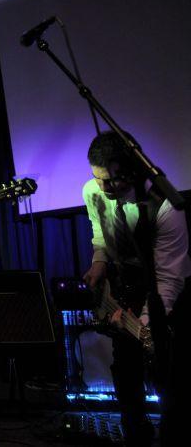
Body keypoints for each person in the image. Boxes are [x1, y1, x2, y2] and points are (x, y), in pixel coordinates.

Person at [82, 131, 190, 447]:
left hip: (166, 292)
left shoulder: (167, 207)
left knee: (168, 378)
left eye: (111, 181)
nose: (102, 188)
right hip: (125, 286)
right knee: (125, 373)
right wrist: (100, 260)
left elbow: (169, 280)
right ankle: (135, 435)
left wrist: (142, 325)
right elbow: (101, 234)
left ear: (130, 169)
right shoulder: (93, 191)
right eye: (97, 179)